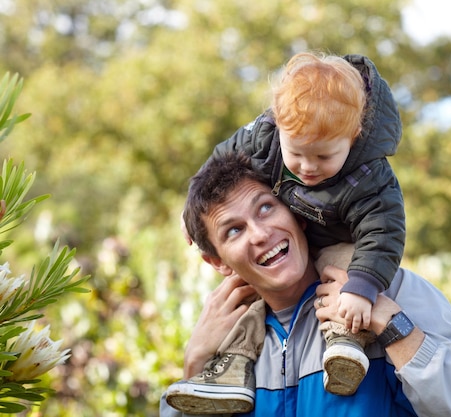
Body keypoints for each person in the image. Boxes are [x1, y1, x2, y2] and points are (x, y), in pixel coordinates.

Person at [161, 152, 451, 417]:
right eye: (234, 230)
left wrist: (388, 321)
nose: (261, 234)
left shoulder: (389, 289)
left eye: (266, 208)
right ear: (217, 261)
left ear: (298, 213)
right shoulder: (226, 344)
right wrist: (194, 366)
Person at [167, 51, 405, 413]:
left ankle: (345, 340)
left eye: (324, 158)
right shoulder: (266, 137)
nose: (308, 168)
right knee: (245, 304)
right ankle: (226, 370)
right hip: (306, 241)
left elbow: (383, 230)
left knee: (347, 269)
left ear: (353, 137)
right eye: (297, 154)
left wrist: (365, 289)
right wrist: (196, 360)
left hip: (347, 250)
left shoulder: (370, 176)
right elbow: (221, 157)